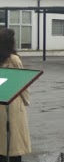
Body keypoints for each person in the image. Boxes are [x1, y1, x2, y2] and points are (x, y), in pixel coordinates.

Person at [0, 29, 31, 162]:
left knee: (1, 141)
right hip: (13, 102)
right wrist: (26, 100)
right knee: (14, 142)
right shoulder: (14, 59)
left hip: (1, 100)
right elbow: (22, 83)